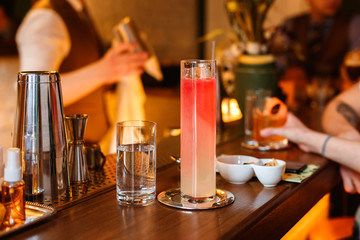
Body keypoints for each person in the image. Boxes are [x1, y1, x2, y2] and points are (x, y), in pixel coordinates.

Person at [16, 0, 148, 145]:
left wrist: (114, 73)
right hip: (63, 156)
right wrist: (105, 70)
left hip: (89, 149)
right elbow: (34, 92)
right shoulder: (46, 17)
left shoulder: (80, 12)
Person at [270, 0, 360, 91]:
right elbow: (275, 66)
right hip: (298, 98)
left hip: (339, 98)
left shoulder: (354, 24)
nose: (332, 1)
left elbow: (355, 67)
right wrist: (289, 73)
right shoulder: (291, 24)